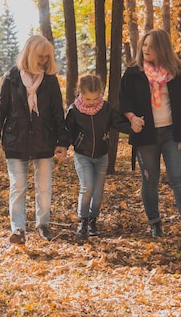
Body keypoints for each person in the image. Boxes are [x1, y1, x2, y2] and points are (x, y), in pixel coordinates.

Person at [118, 29, 181, 242]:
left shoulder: (178, 72)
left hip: (174, 132)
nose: (146, 49)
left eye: (151, 46)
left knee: (178, 176)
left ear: (162, 48)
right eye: (144, 45)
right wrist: (132, 118)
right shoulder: (133, 73)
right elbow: (124, 103)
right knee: (150, 179)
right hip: (146, 134)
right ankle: (154, 223)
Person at [0, 35, 69, 245]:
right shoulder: (11, 78)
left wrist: (62, 141)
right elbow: (1, 111)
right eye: (40, 56)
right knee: (18, 186)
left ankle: (43, 224)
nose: (43, 61)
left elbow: (57, 113)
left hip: (44, 139)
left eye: (46, 57)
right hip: (16, 140)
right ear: (30, 54)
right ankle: (18, 229)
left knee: (44, 186)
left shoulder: (50, 80)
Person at [66, 74, 137, 240]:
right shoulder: (74, 111)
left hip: (102, 156)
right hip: (82, 155)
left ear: (101, 93)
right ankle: (82, 220)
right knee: (87, 187)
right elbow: (67, 132)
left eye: (95, 98)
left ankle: (93, 220)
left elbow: (118, 123)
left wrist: (133, 127)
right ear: (80, 93)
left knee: (98, 192)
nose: (91, 102)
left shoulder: (106, 108)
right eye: (88, 98)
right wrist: (62, 146)